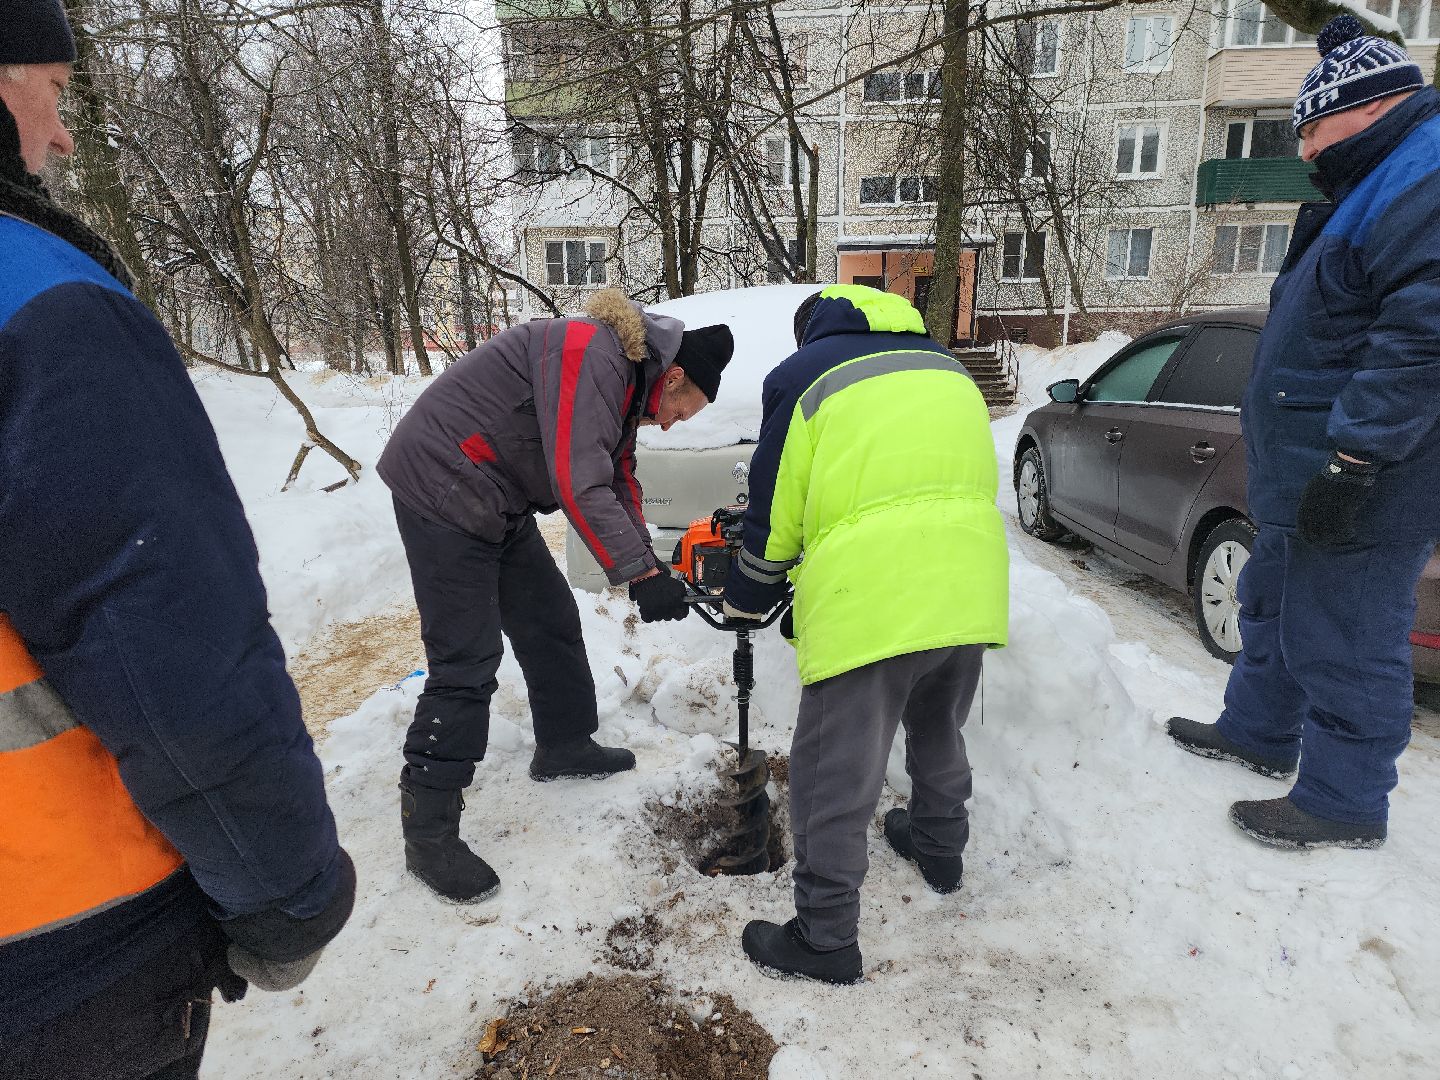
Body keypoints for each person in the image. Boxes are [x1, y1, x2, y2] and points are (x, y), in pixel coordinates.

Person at [0, 3, 355, 1076]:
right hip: (63, 943)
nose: (63, 135)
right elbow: (162, 631)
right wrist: (289, 893)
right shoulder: (43, 302)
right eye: (54, 90)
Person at [1168, 15, 1440, 850]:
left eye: (1313, 129)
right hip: (1310, 466)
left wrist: (1357, 458)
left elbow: (1421, 341)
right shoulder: (1378, 181)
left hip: (1369, 475)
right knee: (1274, 601)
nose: (1307, 149)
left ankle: (1343, 800)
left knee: (1346, 632)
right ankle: (1258, 731)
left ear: (1371, 106)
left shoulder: (1424, 178)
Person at [377, 288, 732, 903]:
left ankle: (565, 745)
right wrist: (640, 576)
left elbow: (617, 477)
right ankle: (428, 833)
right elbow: (579, 483)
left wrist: (648, 564)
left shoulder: (627, 381)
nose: (675, 422)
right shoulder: (591, 355)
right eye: (683, 409)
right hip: (443, 484)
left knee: (549, 618)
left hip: (497, 493)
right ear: (673, 377)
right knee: (466, 661)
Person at [721, 285, 1008, 983]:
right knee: (938, 724)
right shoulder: (948, 367)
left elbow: (776, 508)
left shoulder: (803, 377)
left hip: (873, 599)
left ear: (810, 332)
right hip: (968, 585)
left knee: (834, 772)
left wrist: (748, 596)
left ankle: (824, 938)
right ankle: (940, 849)